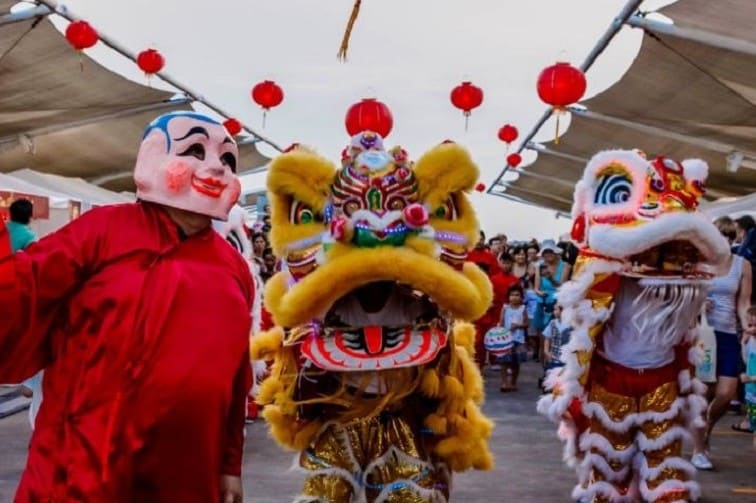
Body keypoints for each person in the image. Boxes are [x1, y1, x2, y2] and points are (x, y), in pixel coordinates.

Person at [0, 111, 254, 502]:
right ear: (152, 158)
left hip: (185, 475)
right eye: (194, 150)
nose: (216, 168)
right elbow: (19, 288)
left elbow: (236, 378)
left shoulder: (234, 267)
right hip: (81, 470)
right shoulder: (101, 230)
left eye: (227, 159)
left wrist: (229, 465)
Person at [251, 132, 494, 501]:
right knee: (323, 494)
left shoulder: (417, 303)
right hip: (341, 420)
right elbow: (296, 325)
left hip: (400, 420)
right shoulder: (331, 304)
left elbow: (450, 329)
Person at [538, 150, 730, 502]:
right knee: (611, 463)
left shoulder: (682, 287)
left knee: (664, 464)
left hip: (662, 380)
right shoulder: (608, 278)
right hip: (613, 378)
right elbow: (582, 301)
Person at [691, 218, 752, 470]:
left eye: (729, 235)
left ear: (734, 238)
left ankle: (706, 430)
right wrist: (698, 304)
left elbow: (743, 303)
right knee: (703, 393)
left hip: (727, 334)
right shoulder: (698, 263)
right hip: (704, 335)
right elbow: (686, 298)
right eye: (719, 235)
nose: (724, 240)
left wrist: (747, 326)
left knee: (727, 393)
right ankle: (698, 449)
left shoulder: (743, 265)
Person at [498, 285, 529, 392]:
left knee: (516, 362)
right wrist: (499, 334)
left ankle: (513, 382)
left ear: (521, 297)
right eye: (512, 295)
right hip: (506, 339)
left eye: (517, 295)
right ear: (508, 297)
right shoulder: (505, 308)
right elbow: (501, 322)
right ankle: (504, 382)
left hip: (519, 339)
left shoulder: (523, 309)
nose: (514, 297)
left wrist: (518, 326)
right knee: (504, 362)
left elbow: (526, 324)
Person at [741, 306, 756, 449]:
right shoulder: (750, 340)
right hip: (752, 394)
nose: (750, 329)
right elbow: (746, 361)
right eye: (749, 325)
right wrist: (743, 343)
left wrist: (751, 378)